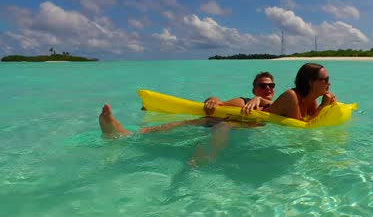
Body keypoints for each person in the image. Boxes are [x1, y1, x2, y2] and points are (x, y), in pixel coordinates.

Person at [98, 71, 276, 164]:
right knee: (185, 124)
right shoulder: (242, 103)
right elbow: (216, 104)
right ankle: (123, 133)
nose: (268, 89)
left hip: (230, 130)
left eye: (271, 86)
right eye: (262, 86)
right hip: (217, 124)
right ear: (254, 90)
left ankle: (121, 137)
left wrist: (261, 101)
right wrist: (212, 100)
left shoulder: (279, 108)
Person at [268, 63, 336, 120]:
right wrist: (322, 106)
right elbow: (300, 129)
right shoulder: (290, 96)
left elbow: (314, 122)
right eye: (326, 80)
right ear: (311, 82)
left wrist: (329, 107)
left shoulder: (311, 101)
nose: (329, 83)